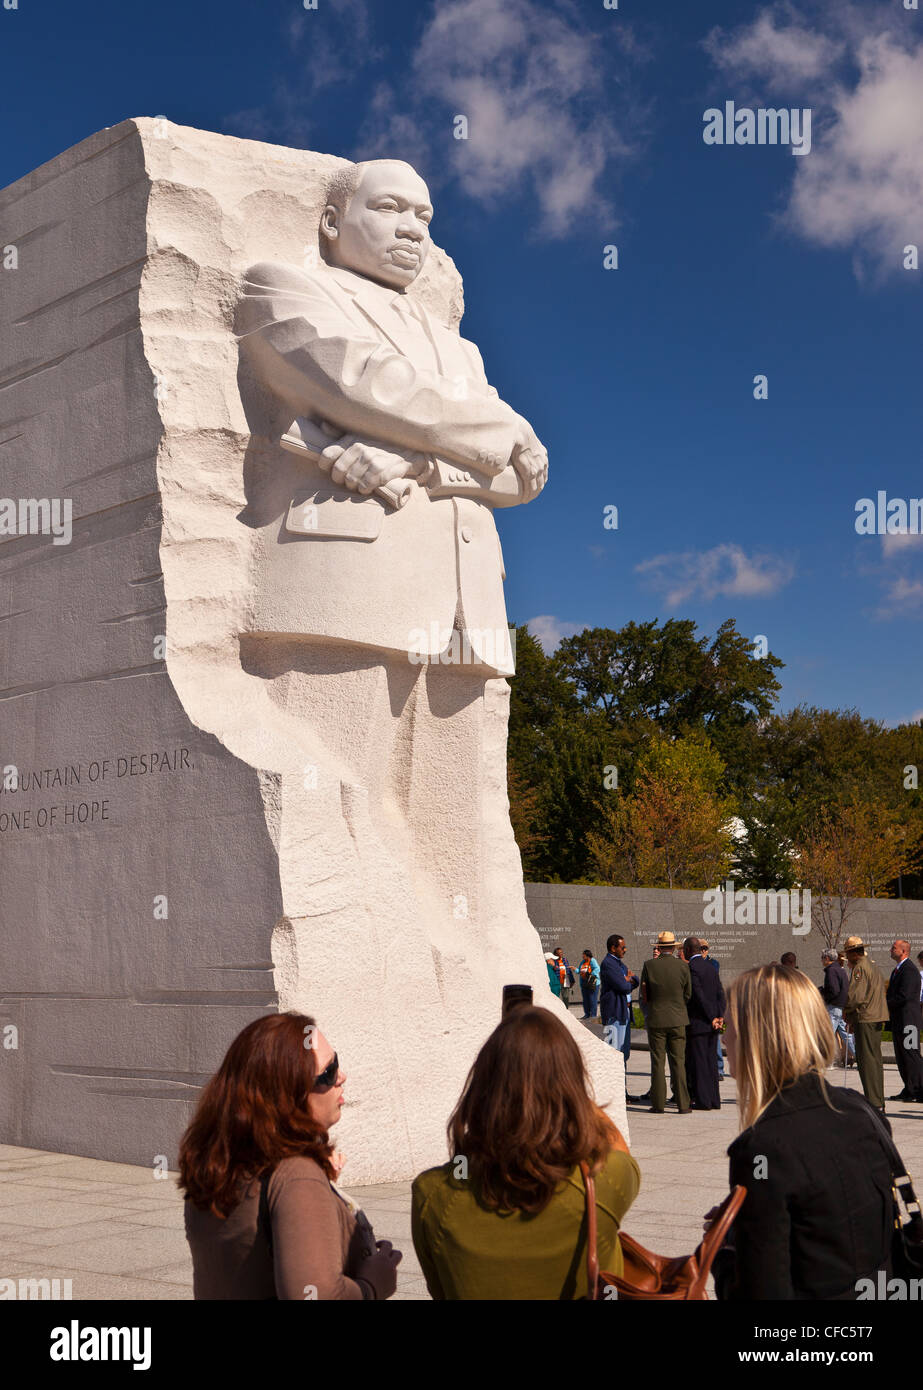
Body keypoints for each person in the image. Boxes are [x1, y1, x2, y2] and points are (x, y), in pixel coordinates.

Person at [411, 1006, 641, 1299]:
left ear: (483, 1086)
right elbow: (621, 1152)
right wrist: (569, 1092)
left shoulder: (432, 1195)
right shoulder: (604, 1180)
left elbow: (440, 1290)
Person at [180, 1013, 402, 1300]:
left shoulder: (222, 1162)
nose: (341, 1077)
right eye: (328, 1071)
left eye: (337, 1062)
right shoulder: (295, 1174)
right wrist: (372, 1285)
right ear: (289, 1093)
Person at [713, 964, 893, 1300]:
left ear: (759, 1035)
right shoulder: (861, 1110)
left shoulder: (761, 1148)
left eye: (730, 1024)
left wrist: (722, 1250)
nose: (723, 1035)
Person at [640, 931, 691, 1114]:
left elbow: (644, 994)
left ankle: (658, 1104)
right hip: (678, 1019)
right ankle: (683, 1104)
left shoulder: (649, 965)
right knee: (678, 1061)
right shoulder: (683, 966)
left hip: (657, 1019)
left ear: (659, 948)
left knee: (657, 1062)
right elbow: (688, 994)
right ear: (673, 947)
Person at [843, 935, 889, 1116]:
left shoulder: (860, 968)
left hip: (866, 1018)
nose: (847, 957)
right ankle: (878, 1100)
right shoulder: (874, 967)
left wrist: (846, 1011)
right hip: (876, 1017)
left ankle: (874, 1102)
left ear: (854, 953)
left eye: (848, 953)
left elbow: (855, 997)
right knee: (875, 1061)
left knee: (867, 1062)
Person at [683, 936, 726, 1110]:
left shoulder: (691, 968)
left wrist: (711, 1017)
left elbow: (698, 995)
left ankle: (703, 1101)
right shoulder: (710, 967)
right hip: (713, 1024)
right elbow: (720, 993)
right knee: (711, 1063)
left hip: (699, 1023)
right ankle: (715, 1100)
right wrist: (720, 1016)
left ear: (687, 950)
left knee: (699, 1063)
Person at [887, 938, 923, 1102]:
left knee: (911, 1055)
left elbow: (905, 996)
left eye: (894, 948)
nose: (890, 950)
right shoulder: (898, 970)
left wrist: (885, 1004)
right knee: (902, 1057)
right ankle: (908, 1089)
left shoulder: (909, 970)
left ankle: (918, 1090)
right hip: (900, 1021)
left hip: (909, 1021)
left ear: (903, 951)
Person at [599, 934, 638, 1061]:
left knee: (624, 1053)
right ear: (613, 948)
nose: (625, 950)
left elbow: (636, 980)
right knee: (614, 1053)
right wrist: (626, 981)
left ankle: (622, 1081)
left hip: (623, 1012)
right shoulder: (608, 964)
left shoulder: (620, 964)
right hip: (614, 1014)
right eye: (622, 947)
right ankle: (615, 1081)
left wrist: (629, 979)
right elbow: (623, 987)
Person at [820, 947, 855, 1064]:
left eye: (822, 958)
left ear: (827, 958)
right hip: (841, 1006)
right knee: (847, 1035)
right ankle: (860, 1056)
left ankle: (826, 1061)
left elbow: (833, 990)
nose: (821, 961)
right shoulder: (841, 970)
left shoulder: (831, 971)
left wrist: (824, 994)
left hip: (834, 1006)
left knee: (827, 1034)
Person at [700, 940, 726, 1079]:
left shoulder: (713, 963)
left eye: (705, 948)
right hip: (703, 1004)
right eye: (701, 948)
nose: (703, 951)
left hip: (712, 1004)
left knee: (715, 1039)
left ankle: (719, 1069)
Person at [578, 949, 601, 1019]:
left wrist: (590, 974)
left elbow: (598, 968)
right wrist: (576, 970)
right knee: (585, 999)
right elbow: (579, 970)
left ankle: (593, 1015)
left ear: (587, 955)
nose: (582, 956)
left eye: (583, 955)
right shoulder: (582, 962)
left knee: (592, 999)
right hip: (584, 983)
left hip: (592, 983)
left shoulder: (592, 960)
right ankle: (587, 1014)